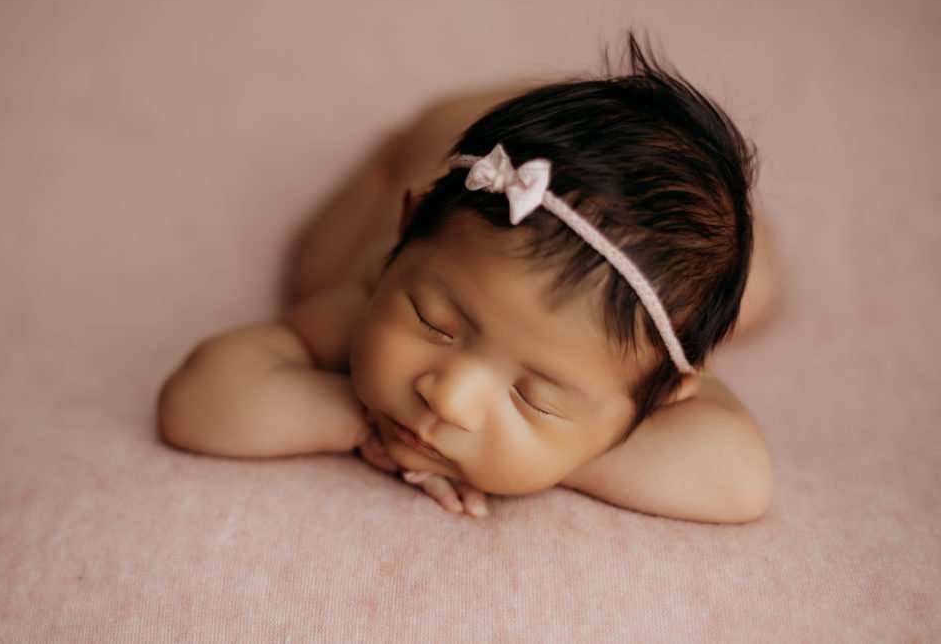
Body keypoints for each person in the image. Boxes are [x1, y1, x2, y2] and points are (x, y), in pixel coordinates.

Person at [156, 30, 782, 524]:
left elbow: (740, 480)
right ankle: (415, 140)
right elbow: (197, 401)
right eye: (433, 322)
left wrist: (543, 461)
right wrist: (354, 422)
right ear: (405, 238)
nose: (448, 396)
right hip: (448, 160)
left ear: (664, 398)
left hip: (586, 237)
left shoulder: (638, 366)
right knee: (311, 263)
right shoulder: (369, 291)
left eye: (535, 398)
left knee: (757, 288)